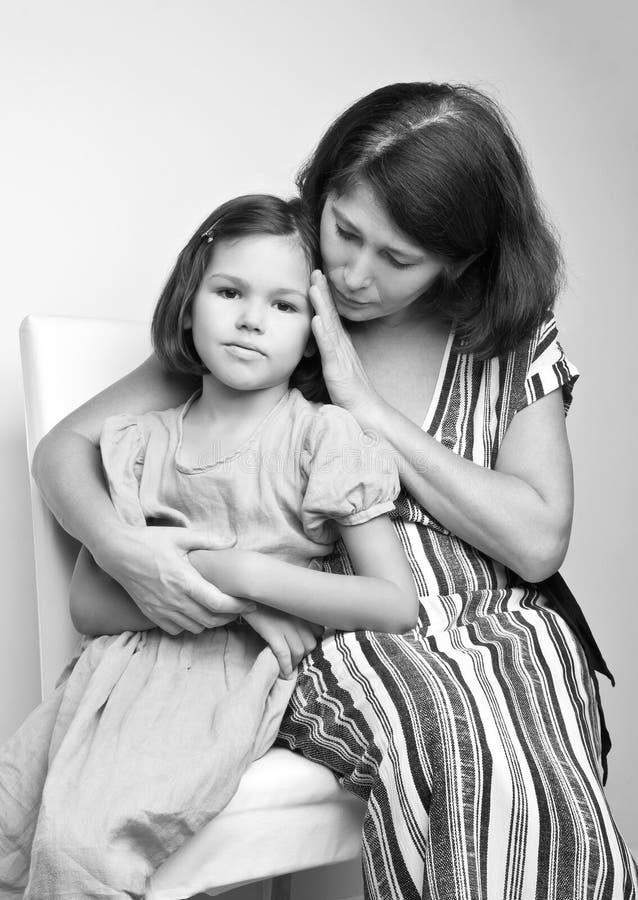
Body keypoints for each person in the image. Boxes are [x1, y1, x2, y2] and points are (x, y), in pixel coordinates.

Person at [28, 82, 638, 899]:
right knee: (454, 735)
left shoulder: (510, 332)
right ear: (324, 195)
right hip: (334, 623)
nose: (351, 274)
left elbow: (536, 539)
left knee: (537, 751)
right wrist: (121, 547)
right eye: (345, 231)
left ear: (460, 259)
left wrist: (368, 409)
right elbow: (65, 447)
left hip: (505, 619)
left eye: (397, 259)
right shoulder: (271, 292)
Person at [0, 193, 418, 900]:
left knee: (83, 850)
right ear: (189, 305)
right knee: (13, 819)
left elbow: (393, 602)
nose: (253, 319)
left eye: (284, 306)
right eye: (230, 292)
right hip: (109, 681)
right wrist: (244, 602)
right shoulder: (139, 444)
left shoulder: (323, 439)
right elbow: (90, 604)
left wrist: (239, 568)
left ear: (316, 333)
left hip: (219, 692)